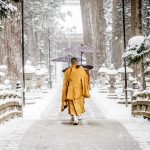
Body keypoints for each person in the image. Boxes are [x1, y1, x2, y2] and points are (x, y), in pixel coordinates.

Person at [61, 58, 90, 125]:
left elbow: (65, 82)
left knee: (72, 104)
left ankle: (74, 117)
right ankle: (78, 115)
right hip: (80, 90)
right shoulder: (82, 70)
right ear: (77, 62)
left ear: (71, 63)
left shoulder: (68, 71)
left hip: (71, 90)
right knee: (79, 103)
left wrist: (65, 91)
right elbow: (86, 79)